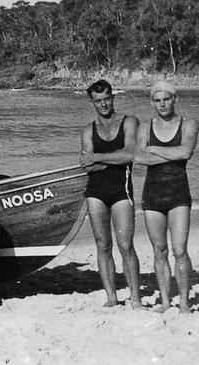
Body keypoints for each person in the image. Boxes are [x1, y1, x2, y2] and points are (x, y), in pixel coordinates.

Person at [133, 81, 199, 314]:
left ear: (175, 99)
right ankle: (164, 300)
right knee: (159, 249)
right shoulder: (144, 127)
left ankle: (183, 302)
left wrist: (153, 149)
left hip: (179, 193)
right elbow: (138, 158)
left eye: (166, 99)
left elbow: (186, 152)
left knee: (179, 250)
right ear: (152, 102)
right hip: (152, 193)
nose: (162, 104)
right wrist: (170, 153)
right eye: (157, 100)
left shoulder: (189, 124)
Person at [79, 79, 142, 308]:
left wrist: (97, 157)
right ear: (92, 102)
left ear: (113, 97)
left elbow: (131, 154)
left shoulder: (129, 122)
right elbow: (86, 166)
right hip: (95, 192)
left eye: (106, 99)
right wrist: (115, 157)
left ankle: (135, 297)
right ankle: (112, 298)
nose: (103, 104)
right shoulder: (88, 130)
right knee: (103, 245)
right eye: (98, 101)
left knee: (125, 245)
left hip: (121, 191)